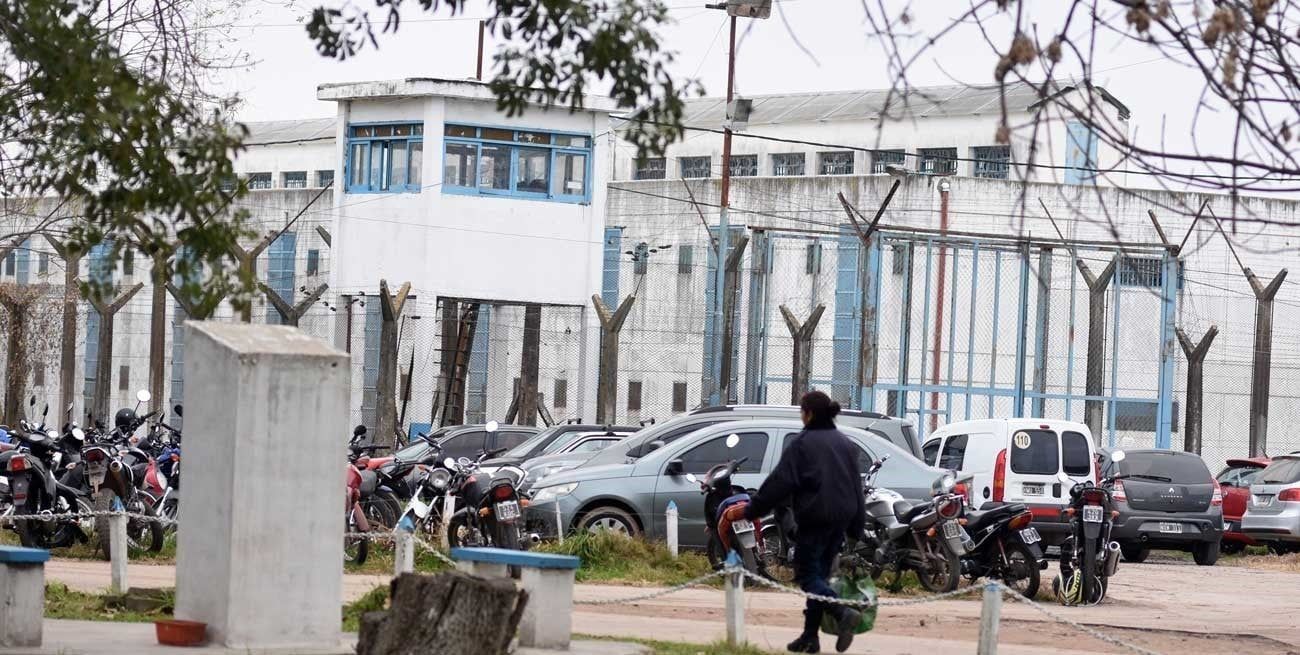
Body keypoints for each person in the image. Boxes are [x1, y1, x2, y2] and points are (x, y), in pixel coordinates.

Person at [744, 391, 865, 654]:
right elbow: (857, 486)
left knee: (807, 575)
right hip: (841, 518)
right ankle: (810, 637)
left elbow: (780, 482)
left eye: (802, 411)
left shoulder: (803, 444)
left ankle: (842, 611)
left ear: (808, 413)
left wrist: (752, 509)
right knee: (820, 575)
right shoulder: (845, 443)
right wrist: (858, 525)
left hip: (815, 517)